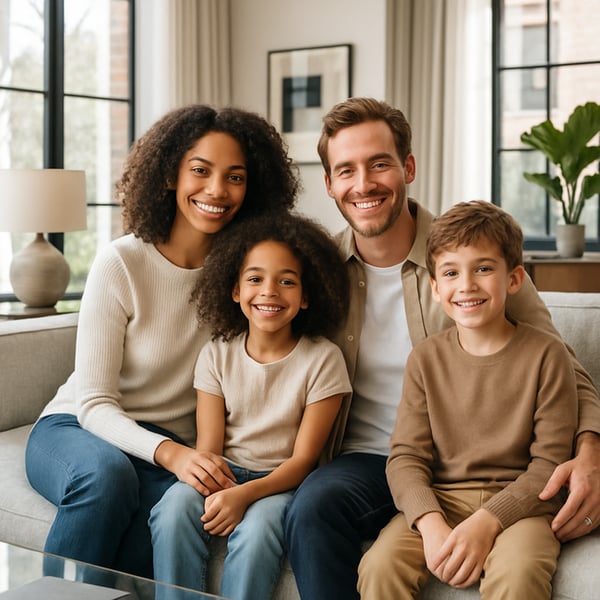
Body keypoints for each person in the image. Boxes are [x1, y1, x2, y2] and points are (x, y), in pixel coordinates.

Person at [283, 97, 600, 600]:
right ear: (329, 184)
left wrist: (590, 451)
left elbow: (565, 368)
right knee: (313, 506)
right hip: (371, 460)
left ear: (407, 167)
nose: (363, 184)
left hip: (474, 465)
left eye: (379, 163)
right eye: (346, 170)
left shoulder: (470, 254)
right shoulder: (317, 269)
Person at [24, 104, 300, 580]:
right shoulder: (122, 263)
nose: (217, 190)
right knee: (108, 478)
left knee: (166, 513)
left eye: (235, 176)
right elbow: (93, 402)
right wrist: (172, 455)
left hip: (169, 447)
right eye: (200, 170)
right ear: (170, 175)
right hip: (77, 427)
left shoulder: (248, 281)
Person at [357, 200, 578, 598]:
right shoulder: (425, 359)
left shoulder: (548, 354)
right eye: (451, 273)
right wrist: (429, 522)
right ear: (436, 289)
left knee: (519, 574)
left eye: (483, 268)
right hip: (442, 498)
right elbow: (405, 457)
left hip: (523, 507)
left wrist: (489, 520)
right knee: (379, 566)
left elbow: (550, 463)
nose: (467, 285)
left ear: (513, 279)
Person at [149, 212, 352, 600]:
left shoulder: (324, 360)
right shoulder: (215, 355)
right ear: (235, 290)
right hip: (225, 470)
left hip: (284, 482)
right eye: (255, 279)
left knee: (258, 533)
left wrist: (245, 495)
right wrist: (216, 486)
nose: (270, 291)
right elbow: (209, 447)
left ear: (307, 296)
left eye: (287, 281)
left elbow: (304, 461)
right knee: (172, 509)